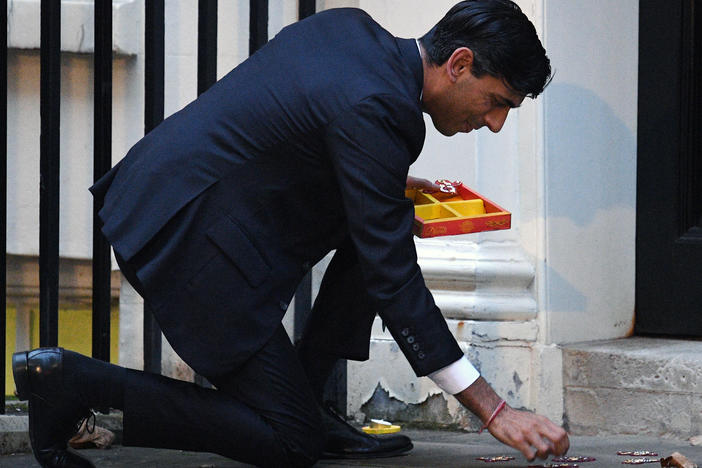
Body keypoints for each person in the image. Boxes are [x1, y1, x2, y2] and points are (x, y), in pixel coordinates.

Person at [13, 1, 568, 467]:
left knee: (383, 221)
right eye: (496, 102)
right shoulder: (379, 108)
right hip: (187, 244)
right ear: (460, 62)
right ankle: (77, 385)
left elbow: (292, 119)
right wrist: (495, 409)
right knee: (290, 440)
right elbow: (394, 279)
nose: (494, 122)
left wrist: (376, 179)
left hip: (163, 198)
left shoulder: (350, 29)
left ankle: (308, 393)